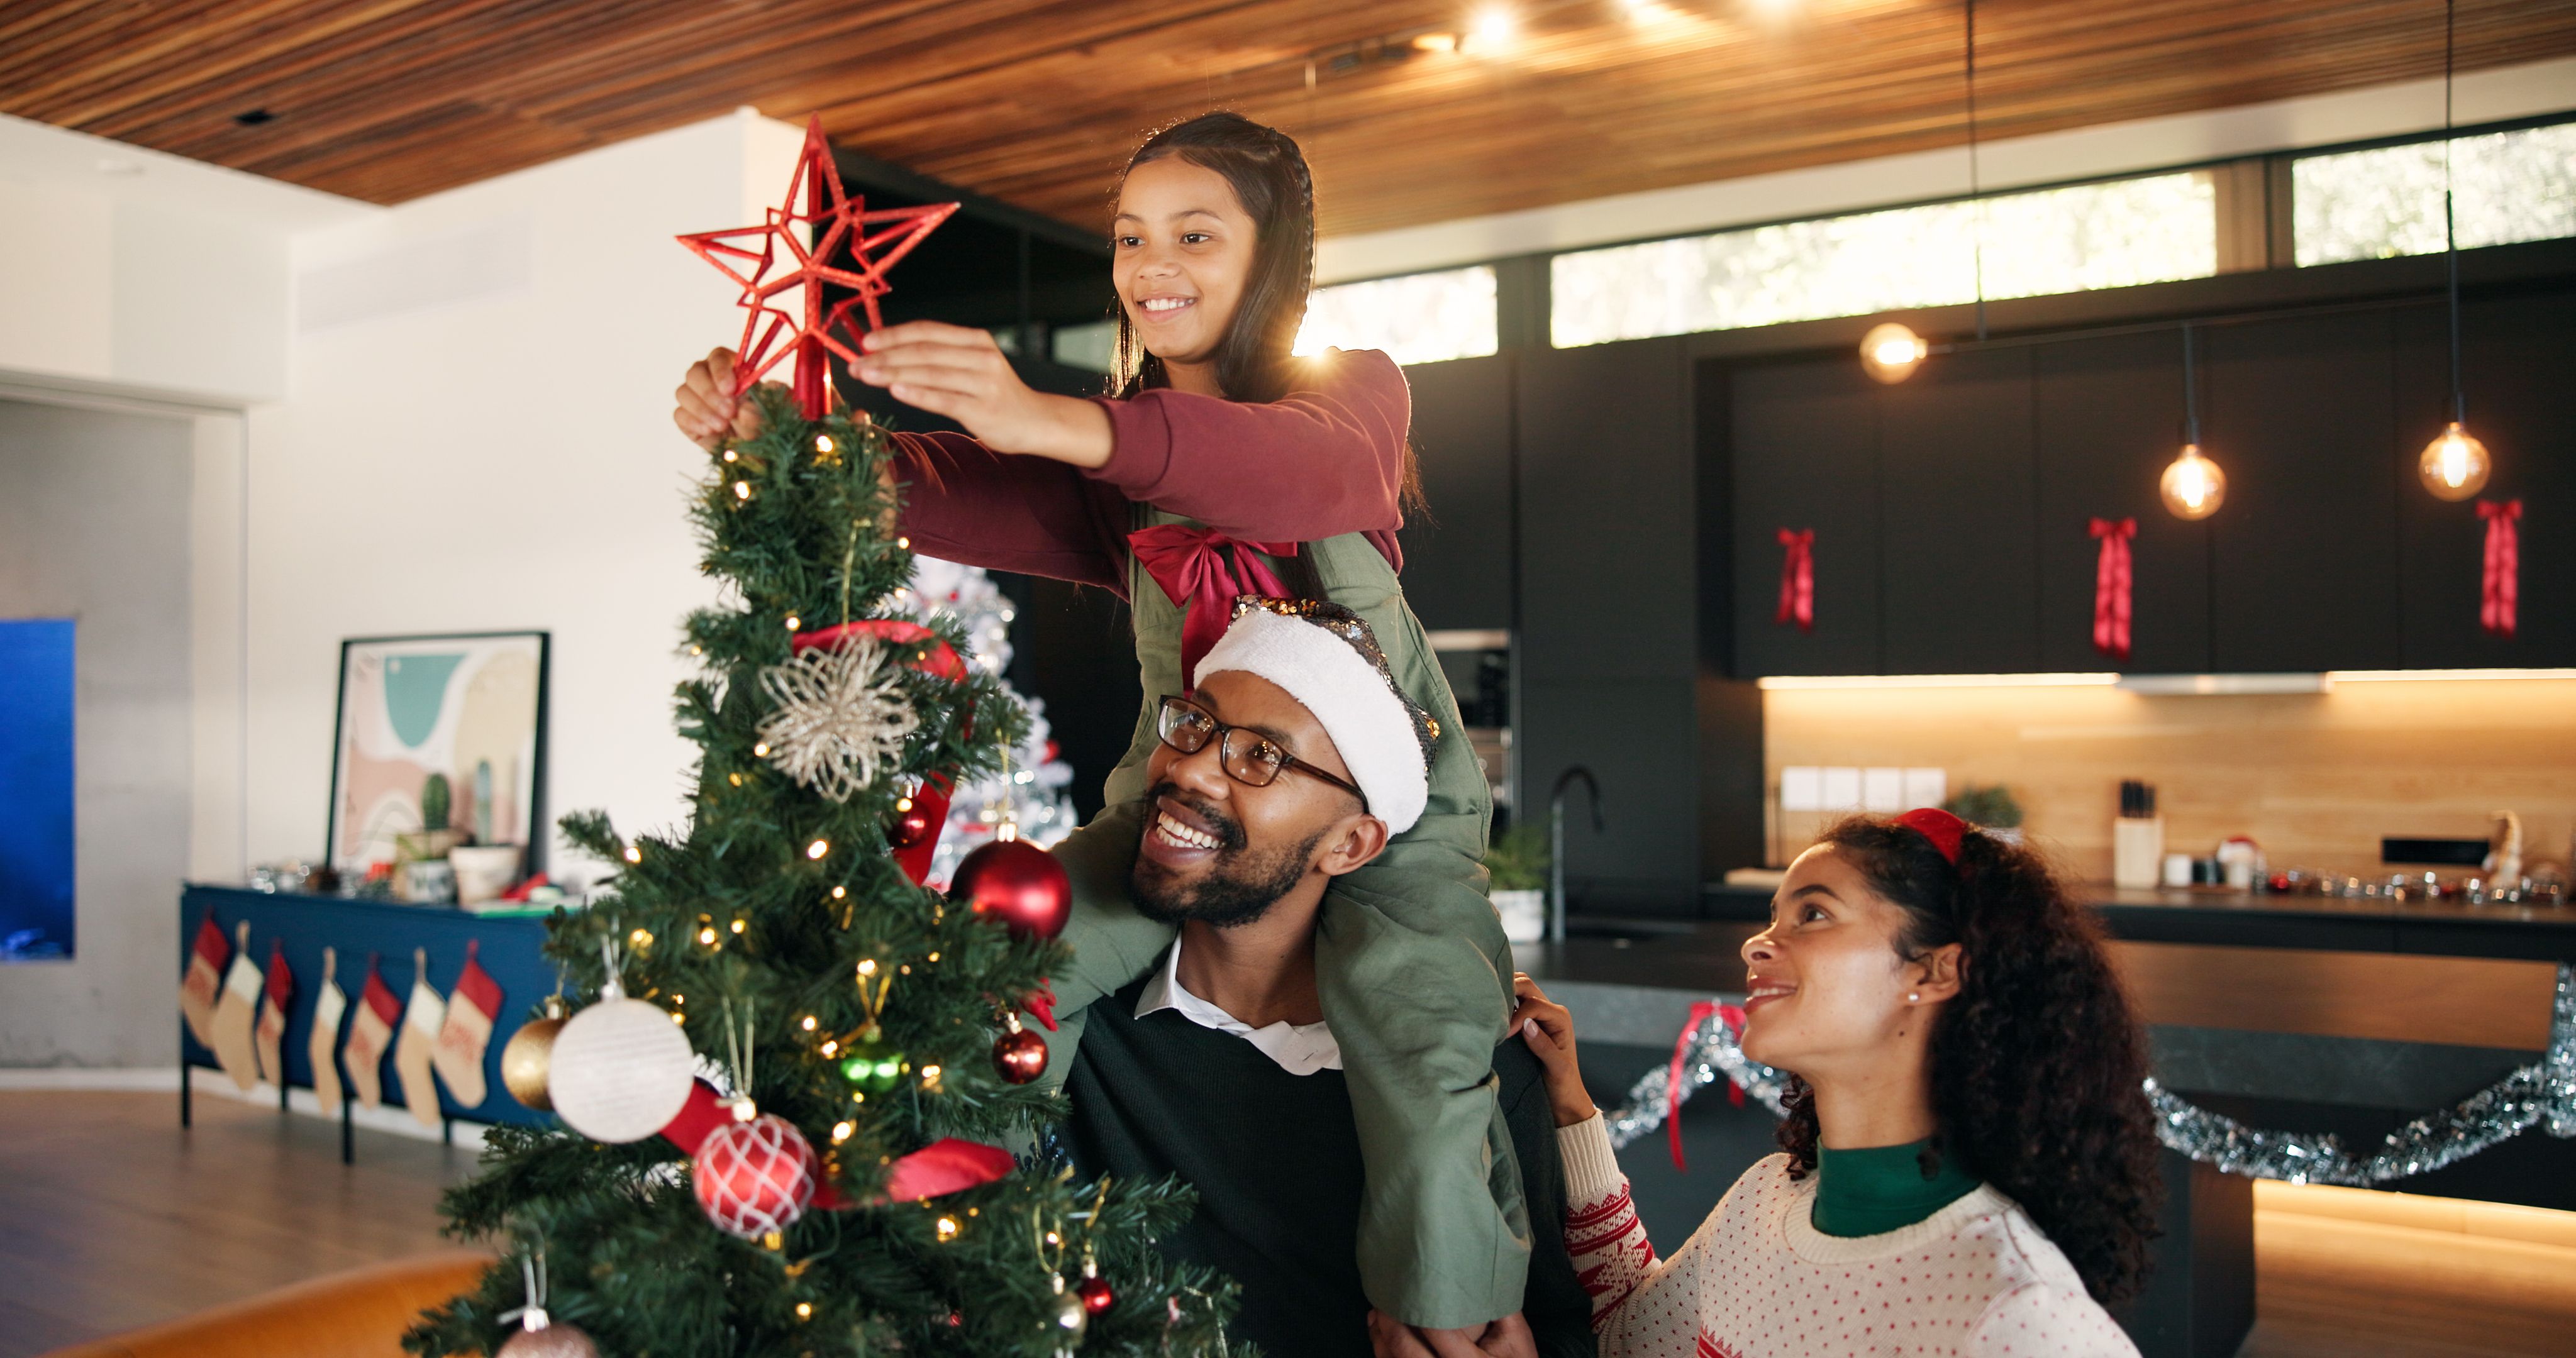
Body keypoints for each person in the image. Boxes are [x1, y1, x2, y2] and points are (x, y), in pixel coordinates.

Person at [672, 113, 1526, 1344]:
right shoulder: (1114, 477)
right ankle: (948, 1276)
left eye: (1194, 234)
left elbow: (1298, 471)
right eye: (1129, 237)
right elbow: (953, 488)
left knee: (1425, 1028)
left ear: (1273, 258)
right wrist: (790, 447)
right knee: (1002, 983)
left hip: (1384, 811)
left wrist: (1059, 422)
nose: (1150, 264)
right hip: (1168, 803)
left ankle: (1450, 1319)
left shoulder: (1354, 397)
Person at [1053, 597, 1592, 1357]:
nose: (1190, 769)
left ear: (1350, 845)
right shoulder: (1067, 1030)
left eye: (1260, 757)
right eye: (1195, 725)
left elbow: (1561, 1326)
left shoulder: (1478, 1066)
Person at [1501, 810, 2162, 1358]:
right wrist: (1572, 1106)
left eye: (1813, 914)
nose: (1757, 944)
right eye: (1774, 917)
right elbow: (1627, 1336)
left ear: (1934, 972)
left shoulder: (2021, 1317)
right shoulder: (1761, 1205)